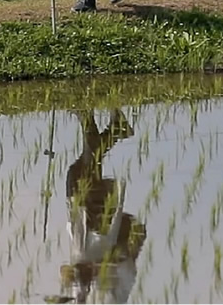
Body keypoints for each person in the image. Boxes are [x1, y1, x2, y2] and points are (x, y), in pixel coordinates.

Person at [59, 108, 146, 303]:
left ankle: (114, 129)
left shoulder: (85, 296)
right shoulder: (115, 297)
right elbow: (125, 265)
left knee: (76, 175)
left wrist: (76, 279)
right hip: (102, 226)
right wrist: (99, 268)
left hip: (84, 230)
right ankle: (89, 120)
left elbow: (73, 278)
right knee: (85, 176)